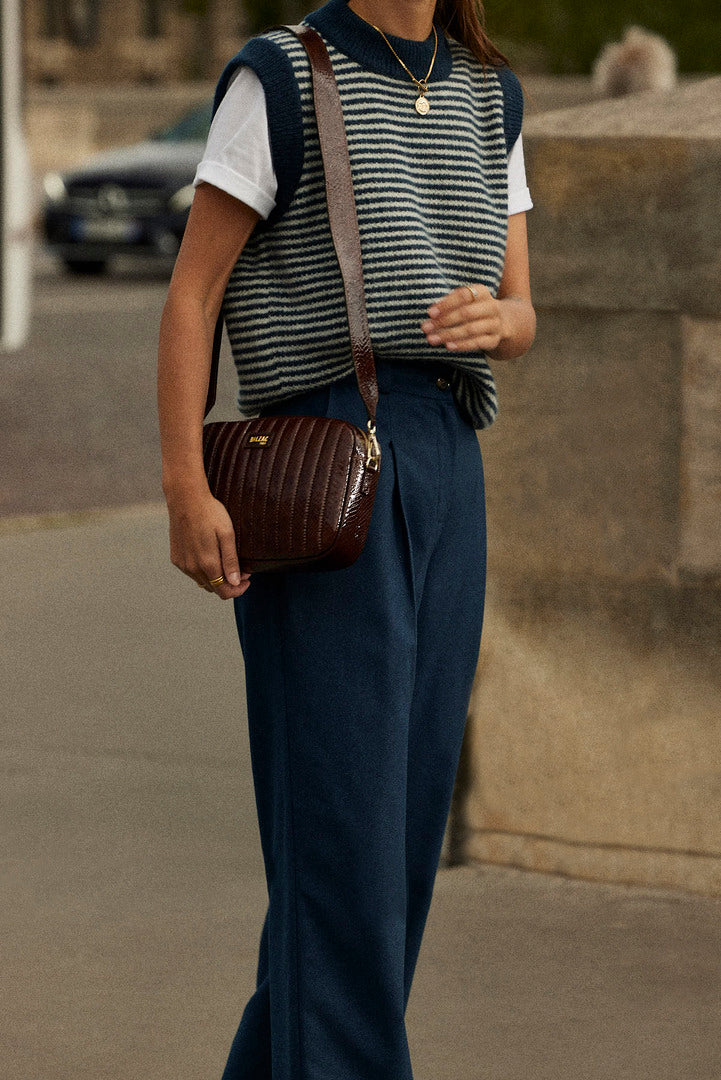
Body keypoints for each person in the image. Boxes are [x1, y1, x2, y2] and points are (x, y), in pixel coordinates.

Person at [157, 1, 536, 1077]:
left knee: (402, 842)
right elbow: (193, 296)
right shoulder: (278, 77)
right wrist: (186, 482)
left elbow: (523, 307)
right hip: (323, 465)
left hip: (448, 462)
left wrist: (495, 325)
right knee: (340, 845)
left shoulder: (488, 94)